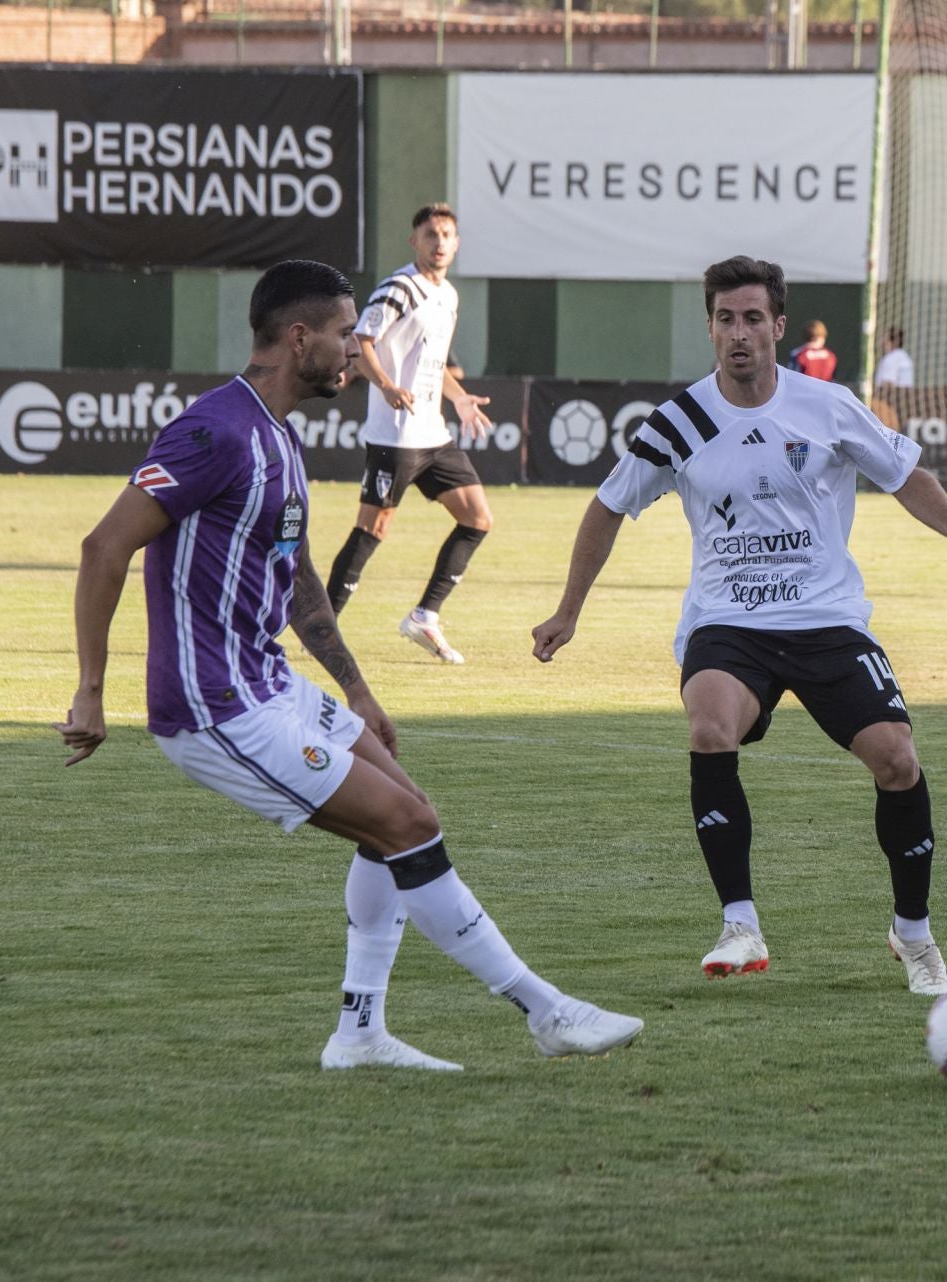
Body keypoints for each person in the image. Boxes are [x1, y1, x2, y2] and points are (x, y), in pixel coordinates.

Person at [54, 260, 642, 1072]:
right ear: (300, 339)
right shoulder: (214, 430)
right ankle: (545, 1011)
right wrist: (91, 691)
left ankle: (360, 1034)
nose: (355, 353)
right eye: (343, 336)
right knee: (408, 828)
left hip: (270, 684)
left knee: (403, 809)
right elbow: (103, 546)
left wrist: (357, 691)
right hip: (214, 708)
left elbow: (294, 579)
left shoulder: (279, 438)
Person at [531, 256, 947, 996]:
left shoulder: (827, 406)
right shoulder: (680, 421)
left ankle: (913, 935)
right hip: (728, 622)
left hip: (825, 620)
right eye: (725, 319)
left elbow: (904, 472)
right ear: (711, 328)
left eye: (753, 318)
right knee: (710, 727)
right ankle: (740, 924)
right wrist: (569, 611)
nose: (739, 334)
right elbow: (608, 506)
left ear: (779, 327)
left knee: (897, 761)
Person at [324, 203, 496, 665]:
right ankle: (323, 625)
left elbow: (433, 365)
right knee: (373, 528)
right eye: (430, 234)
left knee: (477, 519)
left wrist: (458, 398)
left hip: (432, 433)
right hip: (395, 436)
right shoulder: (401, 286)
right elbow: (359, 343)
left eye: (446, 235)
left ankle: (424, 615)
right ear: (414, 241)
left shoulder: (449, 295)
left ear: (456, 244)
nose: (439, 242)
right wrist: (385, 385)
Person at [873, 327, 914, 393]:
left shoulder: (892, 358)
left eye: (885, 338)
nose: (882, 342)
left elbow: (887, 384)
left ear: (894, 342)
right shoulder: (904, 356)